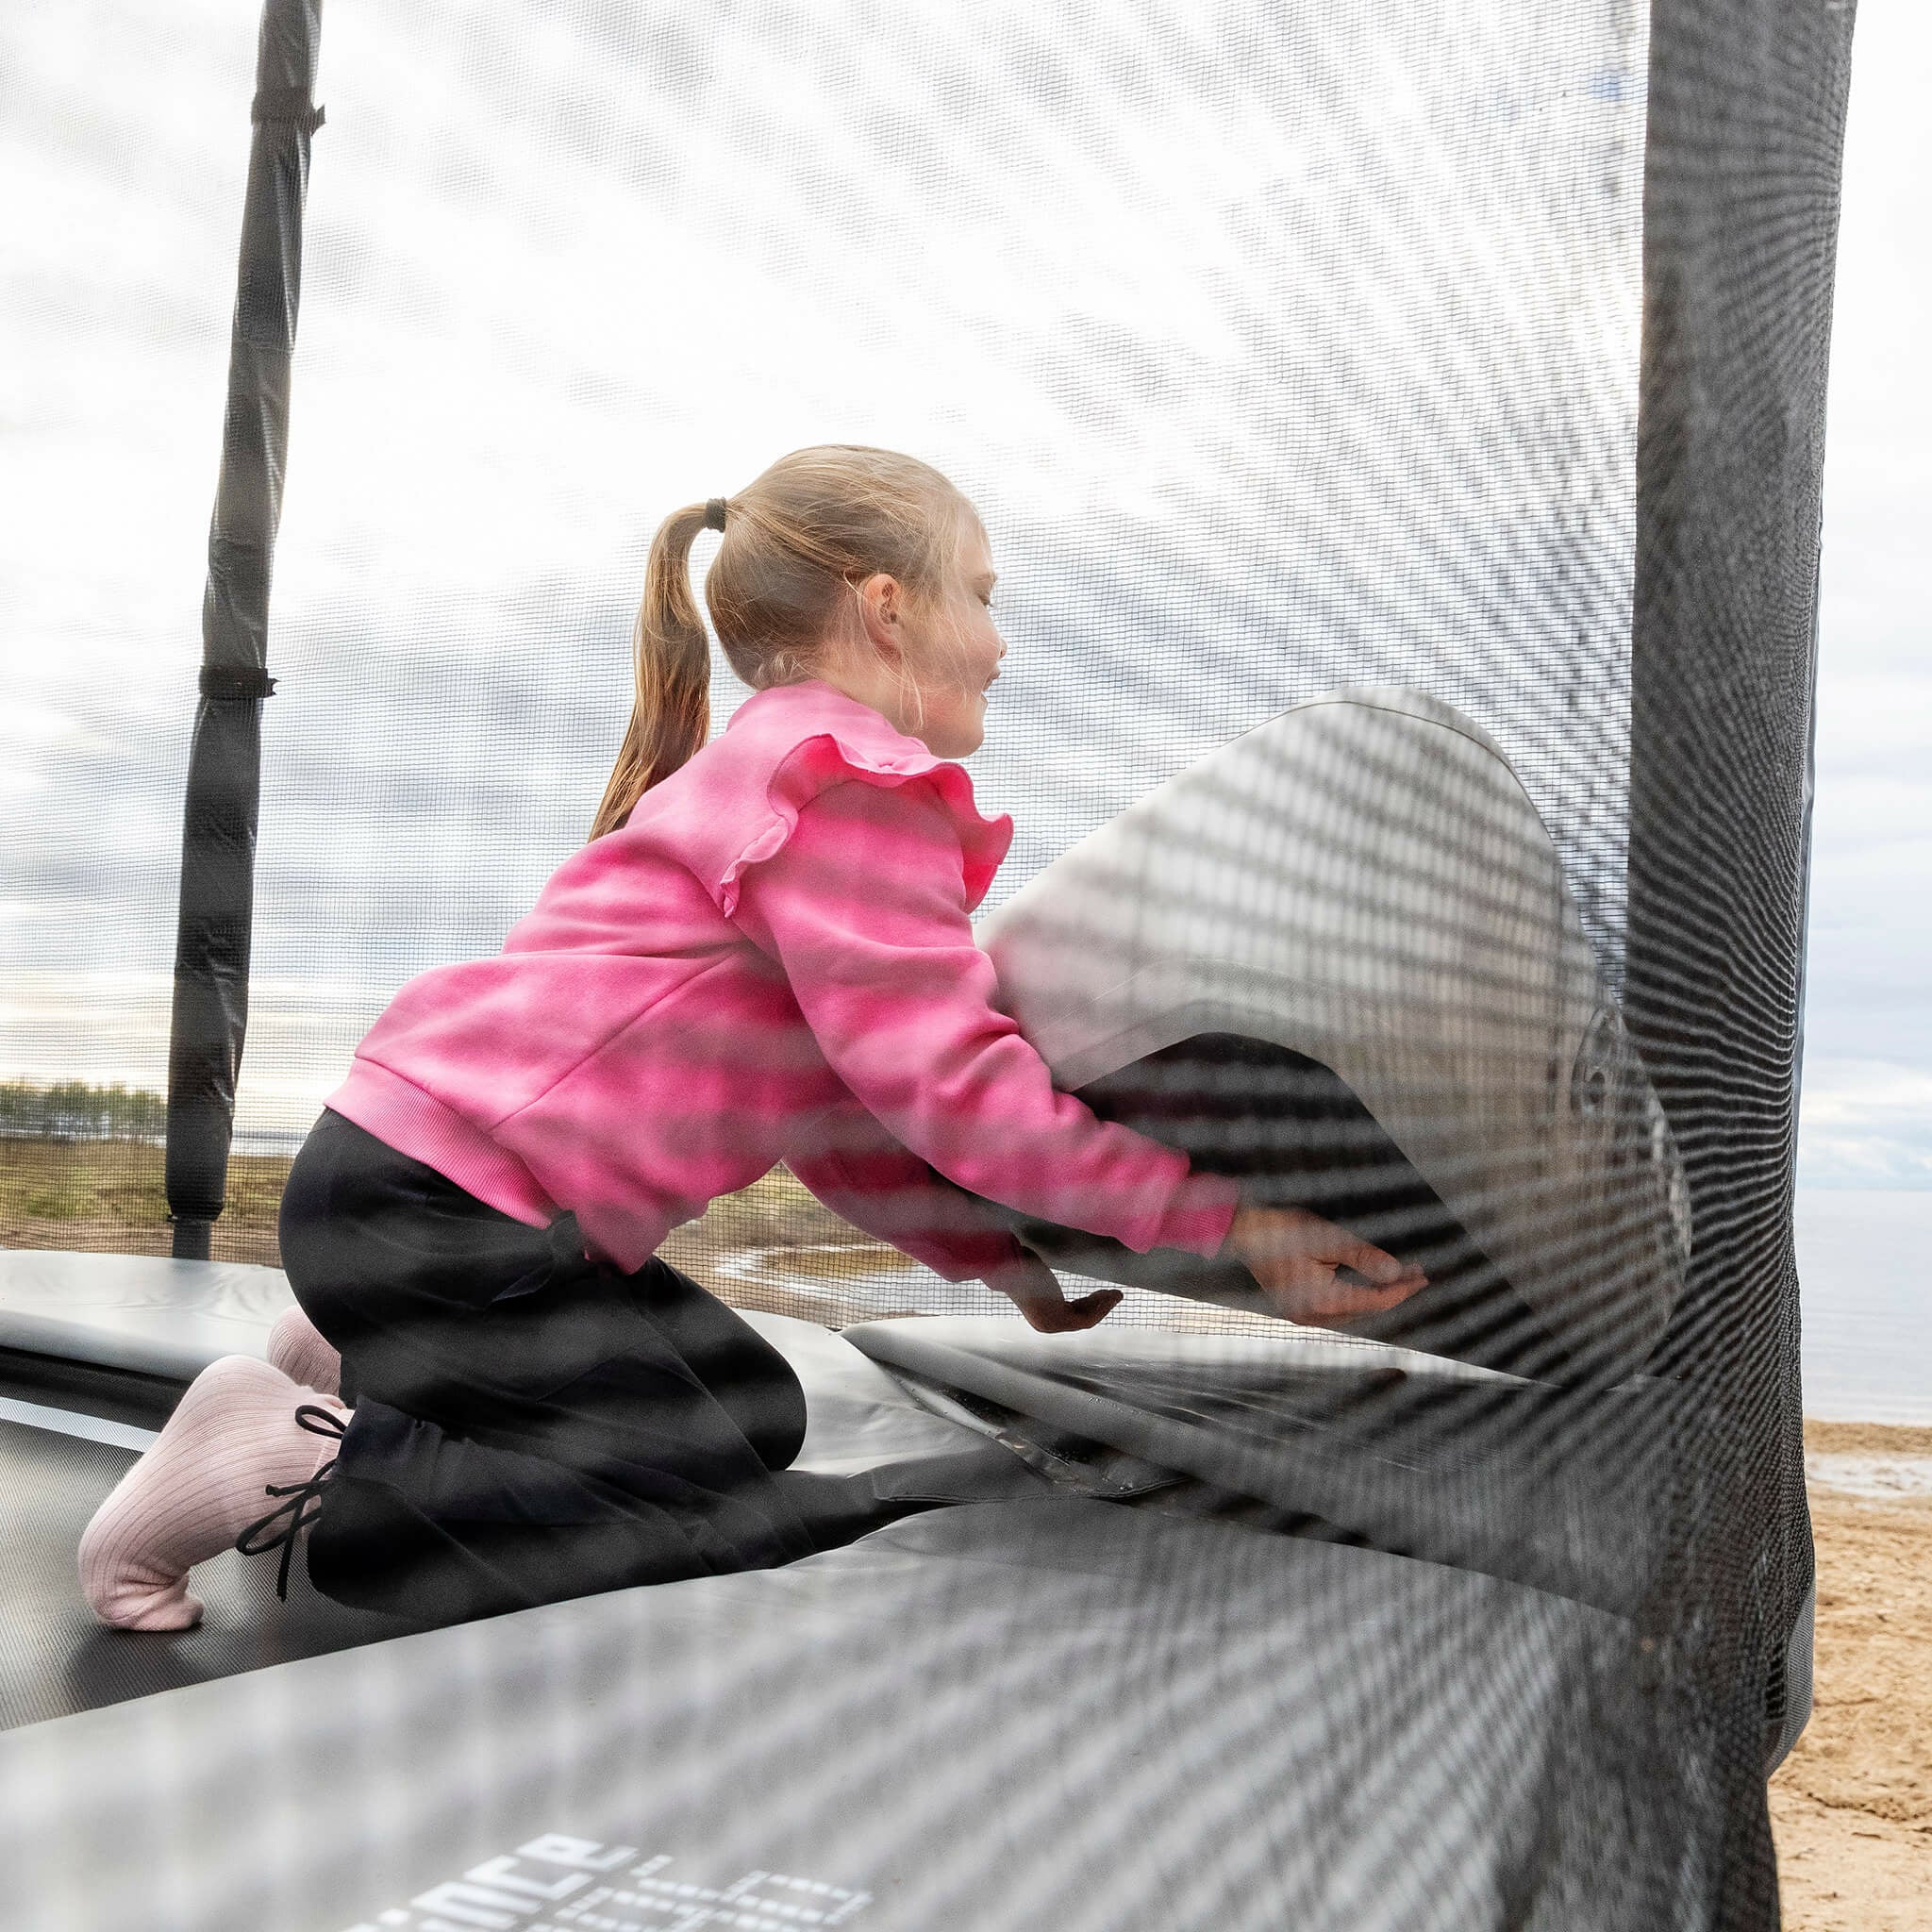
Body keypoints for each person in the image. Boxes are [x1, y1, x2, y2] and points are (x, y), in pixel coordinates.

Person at [78, 444, 1425, 1634]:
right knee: (691, 1513)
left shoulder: (777, 773)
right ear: (889, 609)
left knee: (756, 1420)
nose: (1003, 642)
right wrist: (1222, 1220)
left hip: (415, 1198)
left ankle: (356, 1352)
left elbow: (840, 1121)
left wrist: (993, 1259)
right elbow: (952, 1088)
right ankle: (296, 1459)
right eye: (986, 596)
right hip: (438, 1217)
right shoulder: (851, 785)